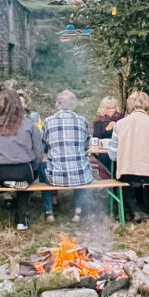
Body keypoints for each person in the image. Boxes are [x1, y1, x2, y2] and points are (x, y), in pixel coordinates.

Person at [0, 89, 44, 230]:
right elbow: (38, 151)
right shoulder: (29, 124)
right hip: (23, 171)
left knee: (15, 177)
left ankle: (7, 187)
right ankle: (21, 220)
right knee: (24, 180)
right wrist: (34, 168)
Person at [109, 91, 149, 222]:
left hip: (127, 172)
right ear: (146, 104)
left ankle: (133, 209)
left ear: (130, 105)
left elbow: (112, 156)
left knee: (125, 175)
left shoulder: (119, 124)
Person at [39, 90, 93, 223]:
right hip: (80, 176)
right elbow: (86, 146)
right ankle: (78, 212)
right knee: (82, 166)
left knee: (42, 166)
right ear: (74, 104)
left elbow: (43, 146)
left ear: (58, 104)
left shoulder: (48, 122)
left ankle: (49, 211)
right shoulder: (82, 120)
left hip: (55, 177)